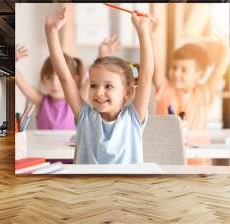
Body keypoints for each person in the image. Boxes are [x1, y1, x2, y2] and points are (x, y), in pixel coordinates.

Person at [45, 7, 154, 164]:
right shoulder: (85, 117)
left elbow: (146, 76)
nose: (99, 92)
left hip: (126, 188)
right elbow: (65, 78)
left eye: (108, 86)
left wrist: (142, 29)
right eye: (94, 85)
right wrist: (51, 32)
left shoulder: (133, 118)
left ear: (128, 92)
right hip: (89, 187)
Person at [151, 16, 229, 130]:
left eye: (183, 70)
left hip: (199, 147)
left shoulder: (203, 94)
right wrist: (152, 33)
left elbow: (219, 69)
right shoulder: (164, 89)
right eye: (174, 67)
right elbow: (155, 63)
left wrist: (225, 44)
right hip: (167, 147)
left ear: (200, 75)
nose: (176, 73)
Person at [15, 45, 86, 130]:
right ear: (43, 80)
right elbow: (20, 82)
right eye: (49, 77)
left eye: (60, 78)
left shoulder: (75, 102)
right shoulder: (40, 101)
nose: (54, 83)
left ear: (74, 80)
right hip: (42, 143)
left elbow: (93, 80)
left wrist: (103, 53)